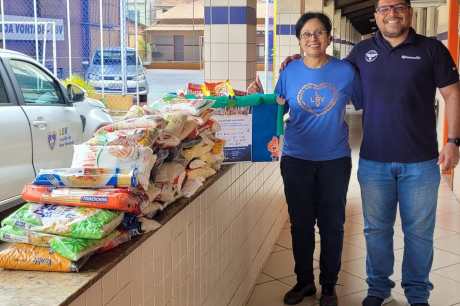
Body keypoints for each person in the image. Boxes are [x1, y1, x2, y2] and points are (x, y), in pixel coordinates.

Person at [280, 1, 460, 305]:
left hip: (422, 161)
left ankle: (417, 295)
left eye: (398, 6)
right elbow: (326, 68)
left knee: (418, 233)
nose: (392, 12)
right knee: (376, 230)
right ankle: (377, 290)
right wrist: (301, 58)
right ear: (376, 16)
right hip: (374, 159)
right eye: (385, 8)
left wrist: (453, 141)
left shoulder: (431, 49)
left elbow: (452, 93)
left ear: (409, 12)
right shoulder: (361, 53)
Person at [273, 12, 361, 306]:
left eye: (319, 32)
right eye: (307, 34)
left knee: (332, 224)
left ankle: (328, 286)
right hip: (296, 159)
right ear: (299, 40)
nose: (313, 38)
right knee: (300, 224)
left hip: (334, 160)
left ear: (329, 38)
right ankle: (304, 283)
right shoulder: (289, 72)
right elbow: (276, 108)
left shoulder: (345, 71)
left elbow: (365, 104)